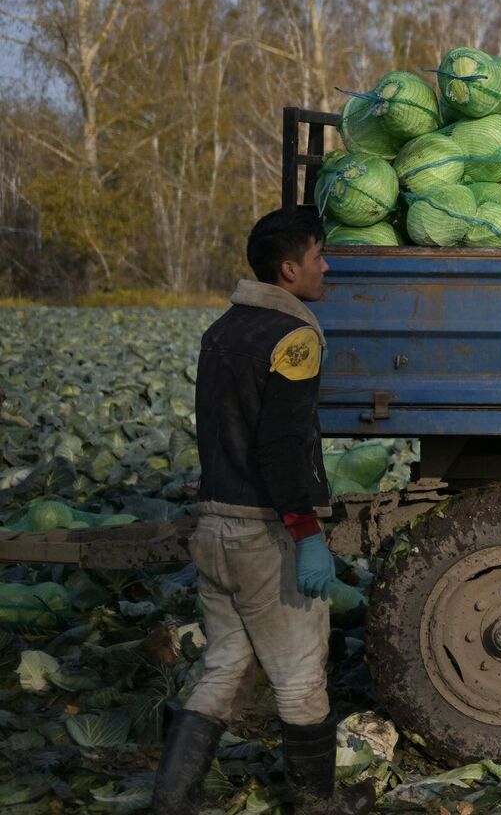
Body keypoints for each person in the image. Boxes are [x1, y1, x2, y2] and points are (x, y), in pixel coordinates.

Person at [153, 207, 372, 815]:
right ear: (288, 268)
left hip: (214, 526)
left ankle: (171, 800)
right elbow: (279, 447)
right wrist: (305, 533)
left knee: (225, 665)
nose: (325, 266)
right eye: (317, 255)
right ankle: (314, 804)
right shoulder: (294, 338)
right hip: (261, 535)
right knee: (301, 676)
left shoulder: (222, 329)